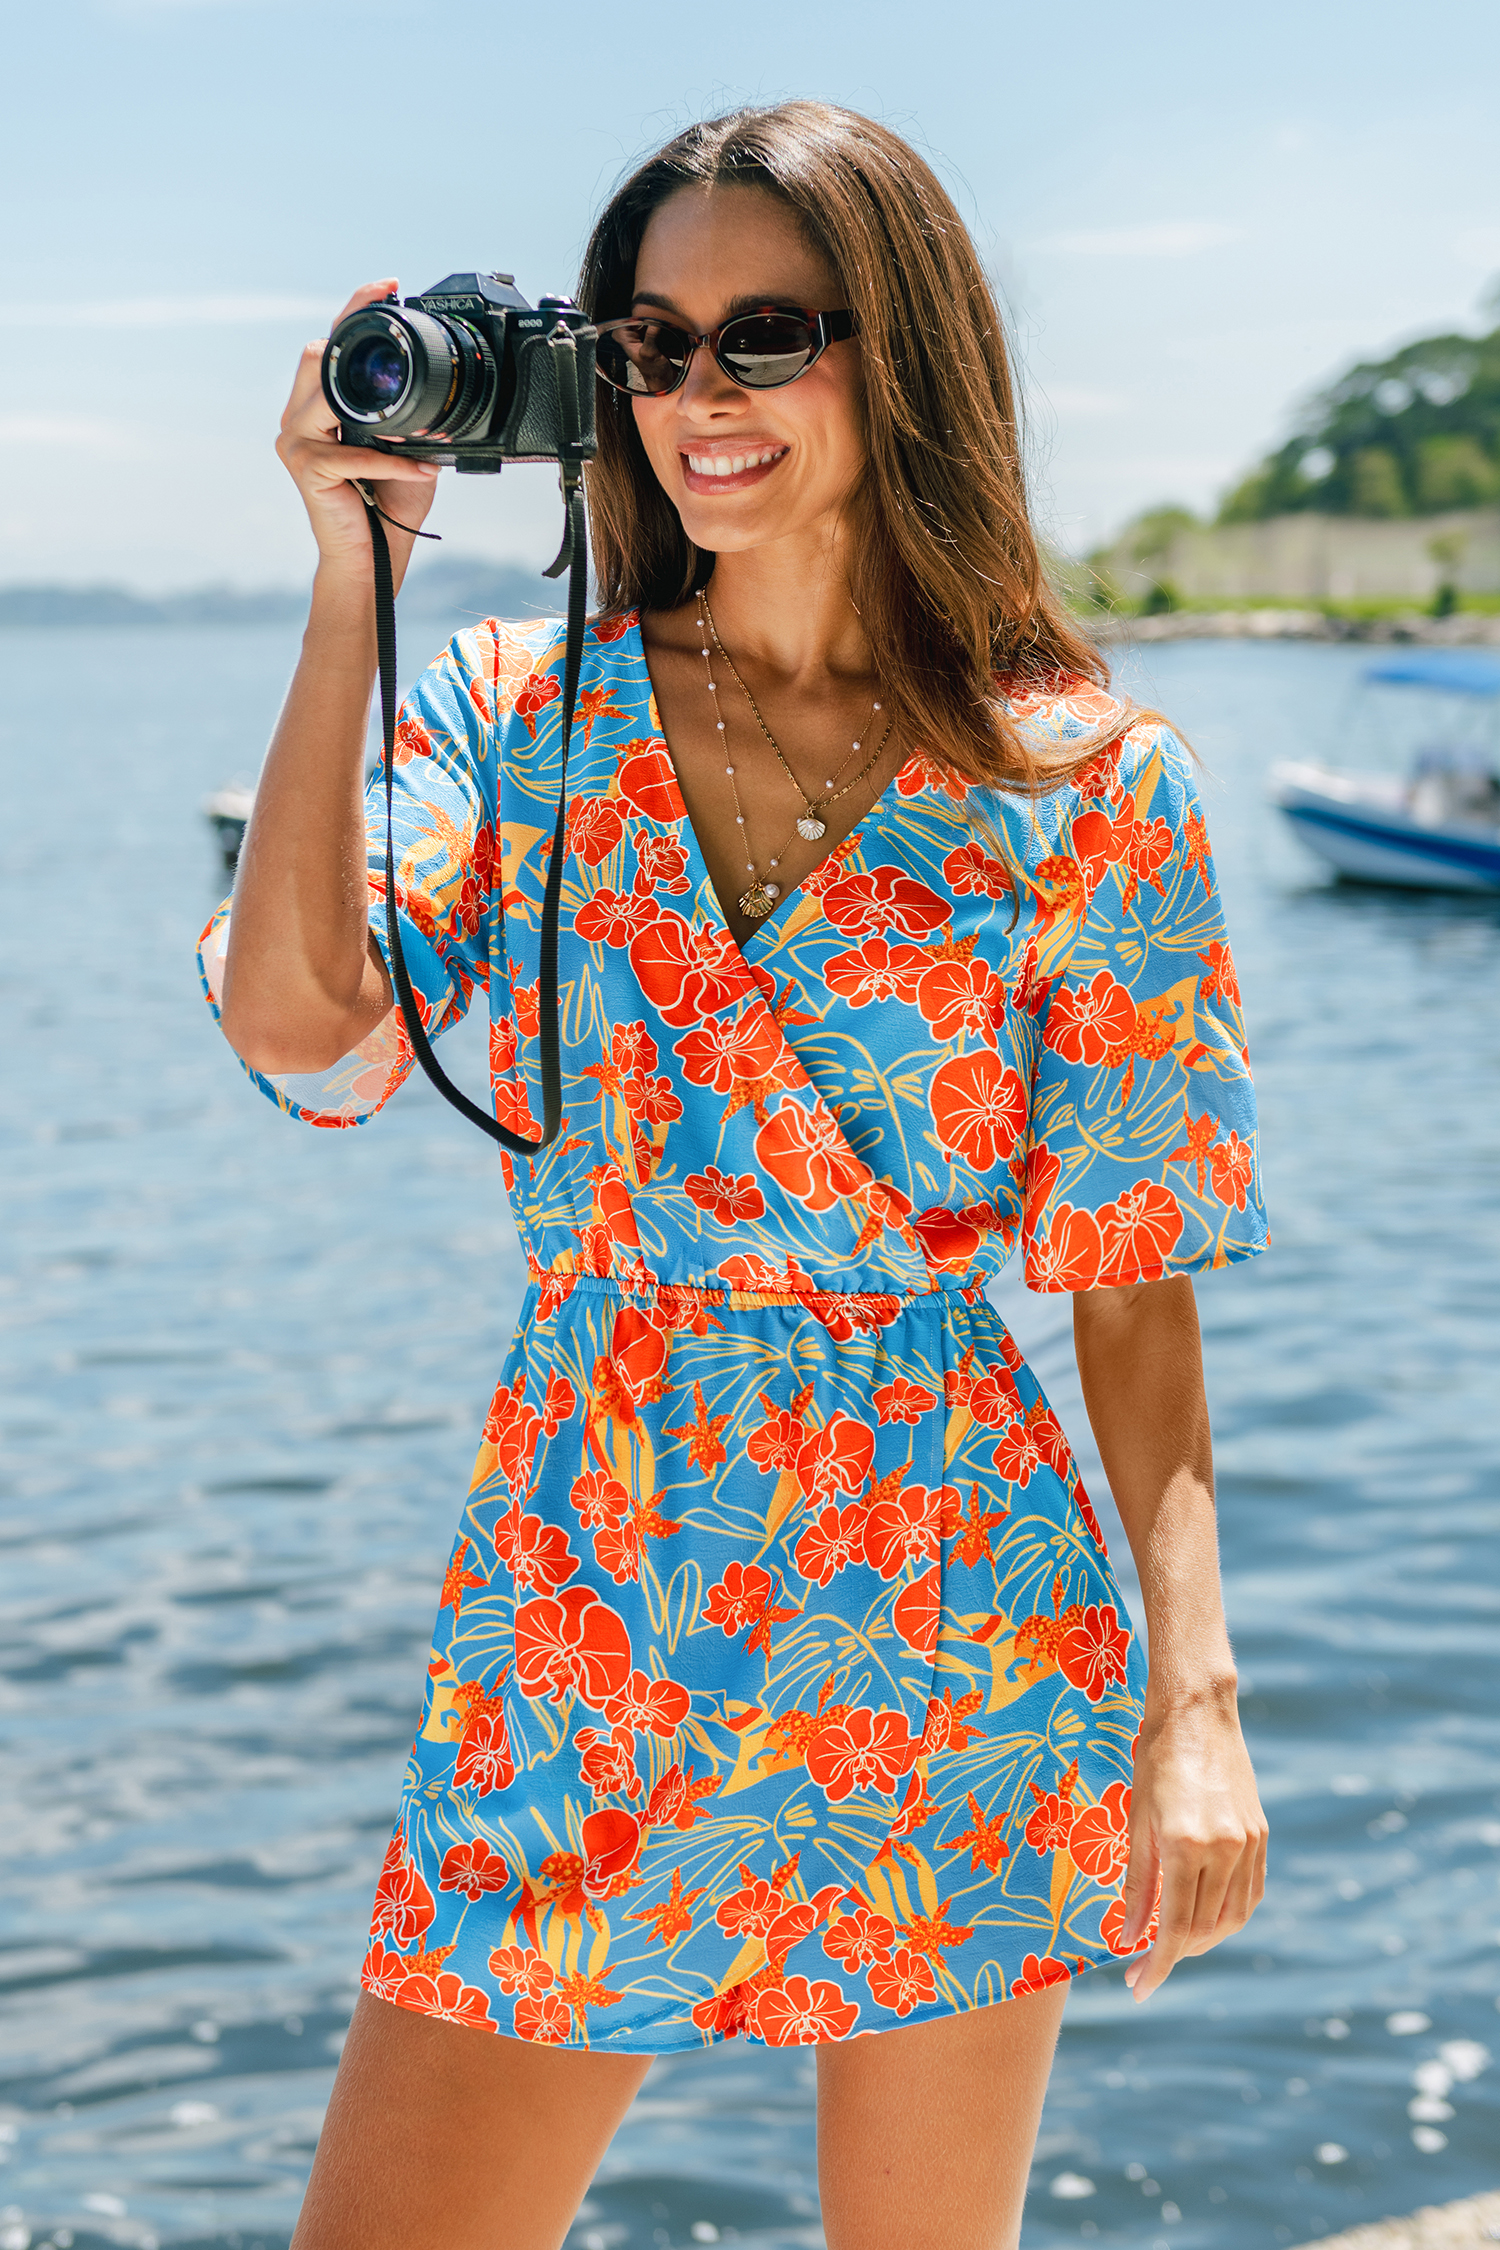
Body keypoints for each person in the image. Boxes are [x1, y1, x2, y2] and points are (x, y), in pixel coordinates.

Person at [201, 99, 1269, 2250]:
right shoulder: (521, 706)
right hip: (584, 1595)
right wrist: (355, 575)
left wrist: (1197, 1709)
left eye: (767, 334)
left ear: (905, 352)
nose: (701, 391)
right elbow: (305, 1026)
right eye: (652, 343)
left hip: (955, 1622)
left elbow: (1131, 1275)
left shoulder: (1080, 780)